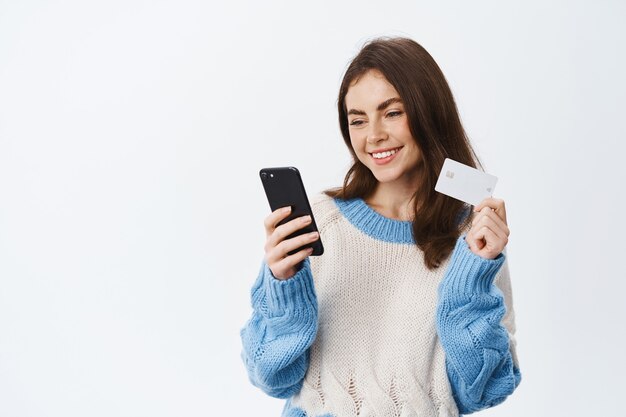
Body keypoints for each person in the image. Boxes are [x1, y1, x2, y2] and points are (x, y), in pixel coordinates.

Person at [240, 37, 521, 417]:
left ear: (428, 113)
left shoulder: (475, 240)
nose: (373, 135)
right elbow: (272, 377)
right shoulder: (319, 223)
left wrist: (472, 275)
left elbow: (481, 391)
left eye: (392, 113)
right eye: (358, 119)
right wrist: (285, 286)